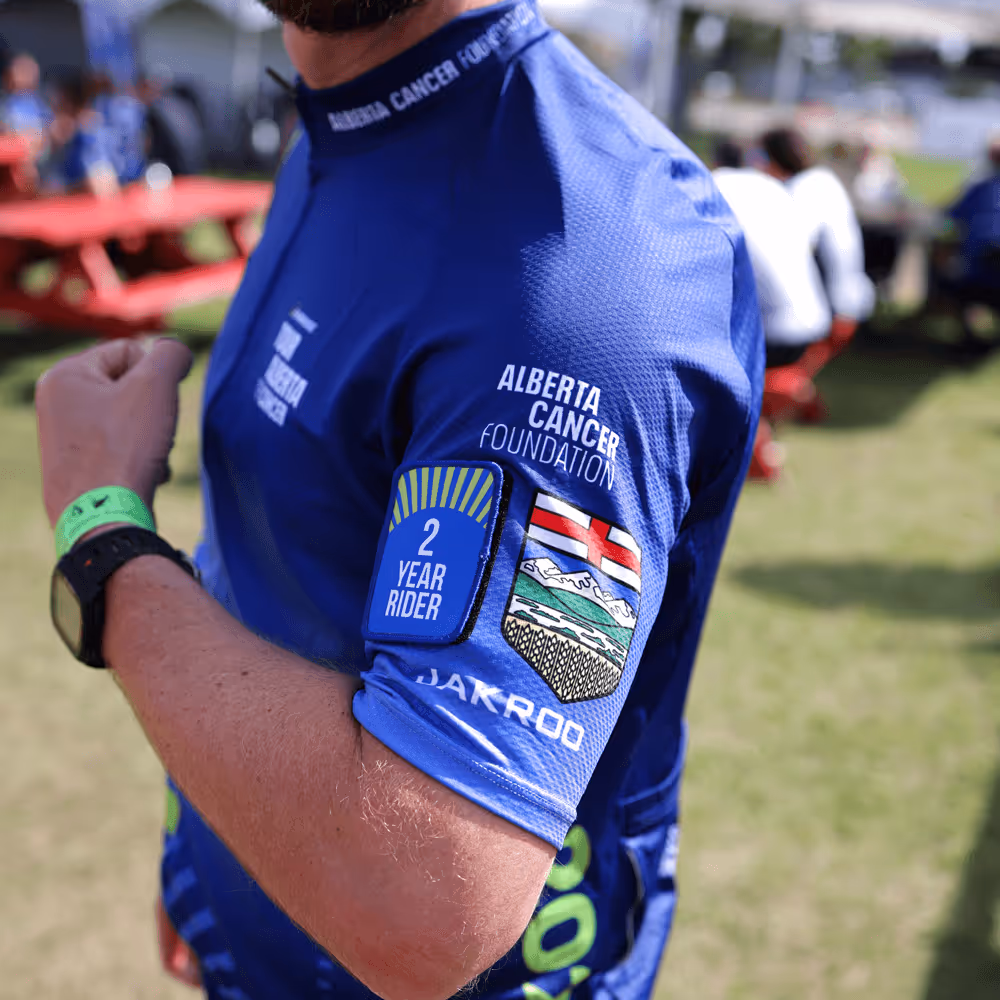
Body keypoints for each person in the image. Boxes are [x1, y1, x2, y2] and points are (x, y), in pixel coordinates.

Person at [35, 3, 763, 1000]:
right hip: (256, 936)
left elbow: (427, 900)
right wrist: (204, 858)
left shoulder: (588, 266)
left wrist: (102, 539)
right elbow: (286, 557)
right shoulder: (340, 117)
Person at [712, 139, 831, 367]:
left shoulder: (715, 185)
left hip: (771, 333)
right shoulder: (773, 186)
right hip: (814, 321)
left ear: (715, 161)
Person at [760, 127, 876, 344]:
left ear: (774, 158)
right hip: (842, 302)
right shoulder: (819, 181)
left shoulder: (806, 189)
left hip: (828, 311)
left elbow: (790, 246)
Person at [928, 133, 1000, 347]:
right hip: (980, 275)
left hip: (975, 278)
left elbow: (946, 222)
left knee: (940, 262)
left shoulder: (980, 188)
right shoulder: (980, 188)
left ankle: (939, 311)